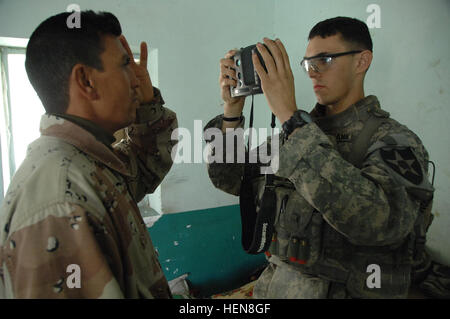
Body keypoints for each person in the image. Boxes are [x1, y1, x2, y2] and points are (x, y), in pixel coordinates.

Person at [204, 17, 434, 298]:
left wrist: (289, 116)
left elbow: (379, 223)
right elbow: (230, 179)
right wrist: (231, 112)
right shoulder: (295, 135)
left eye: (325, 60)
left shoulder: (393, 141)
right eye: (308, 63)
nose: (312, 72)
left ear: (362, 61)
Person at [0, 11, 177, 298]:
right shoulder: (59, 200)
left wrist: (146, 106)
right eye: (124, 65)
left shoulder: (87, 160)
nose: (135, 79)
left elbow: (142, 167)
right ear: (85, 80)